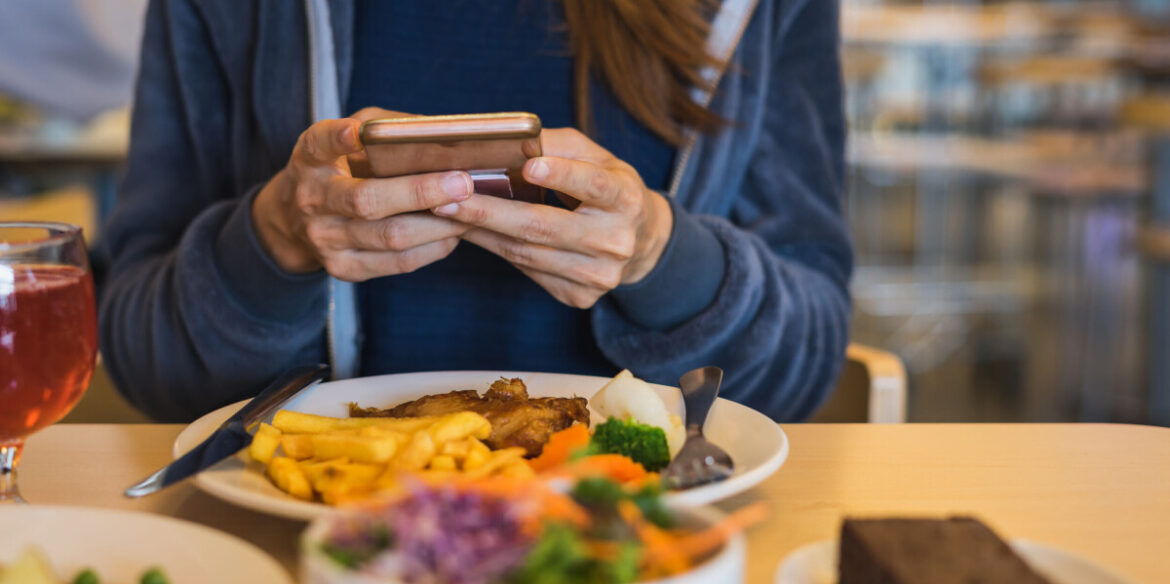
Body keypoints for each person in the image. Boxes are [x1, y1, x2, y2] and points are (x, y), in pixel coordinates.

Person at [98, 0, 853, 423]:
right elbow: (143, 356)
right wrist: (272, 242)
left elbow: (804, 362)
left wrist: (662, 257)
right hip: (297, 544)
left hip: (634, 540)